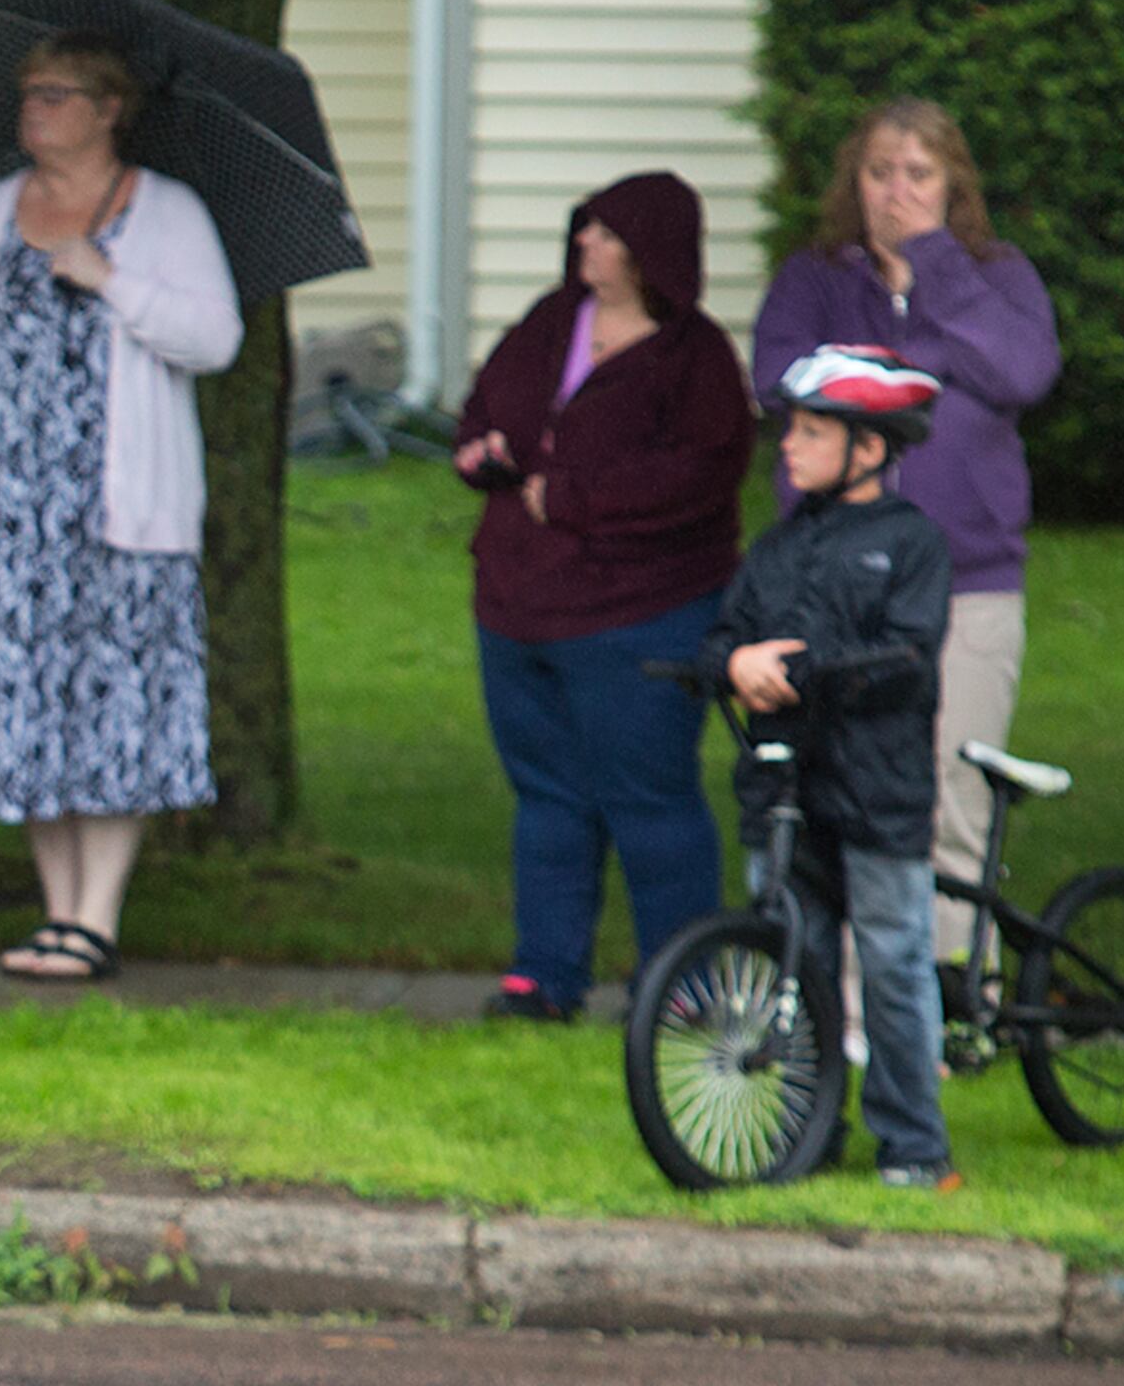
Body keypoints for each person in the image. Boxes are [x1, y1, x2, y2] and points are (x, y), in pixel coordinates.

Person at [0, 29, 241, 981]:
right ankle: (56, 912)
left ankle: (98, 916)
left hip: (119, 512)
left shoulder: (164, 216)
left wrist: (111, 280)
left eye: (54, 94)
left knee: (115, 702)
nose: (32, 110)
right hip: (8, 510)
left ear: (107, 109)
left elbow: (216, 338)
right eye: (28, 94)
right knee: (25, 706)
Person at [749, 101, 1059, 986]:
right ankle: (858, 1000)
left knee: (950, 795)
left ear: (952, 184)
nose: (897, 191)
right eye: (881, 172)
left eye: (918, 174)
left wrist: (933, 268)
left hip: (970, 581)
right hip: (844, 584)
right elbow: (784, 379)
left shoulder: (996, 277)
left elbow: (1022, 369)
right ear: (854, 180)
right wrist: (914, 371)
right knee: (847, 790)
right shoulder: (816, 279)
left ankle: (957, 990)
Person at [450, 172, 756, 1022]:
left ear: (650, 253)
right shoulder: (551, 323)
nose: (585, 243)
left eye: (606, 233)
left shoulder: (695, 359)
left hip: (643, 610)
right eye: (584, 229)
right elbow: (483, 405)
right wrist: (483, 450)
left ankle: (680, 988)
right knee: (548, 796)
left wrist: (574, 497)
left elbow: (703, 475)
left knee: (650, 798)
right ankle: (544, 976)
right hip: (517, 606)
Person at [710, 348, 959, 1190]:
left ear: (871, 447)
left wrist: (812, 666)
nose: (789, 446)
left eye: (812, 431)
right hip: (785, 789)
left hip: (878, 791)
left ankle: (915, 1144)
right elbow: (726, 633)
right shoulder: (779, 548)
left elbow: (909, 655)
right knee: (798, 958)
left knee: (892, 964)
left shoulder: (910, 543)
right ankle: (807, 1133)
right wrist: (735, 662)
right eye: (792, 429)